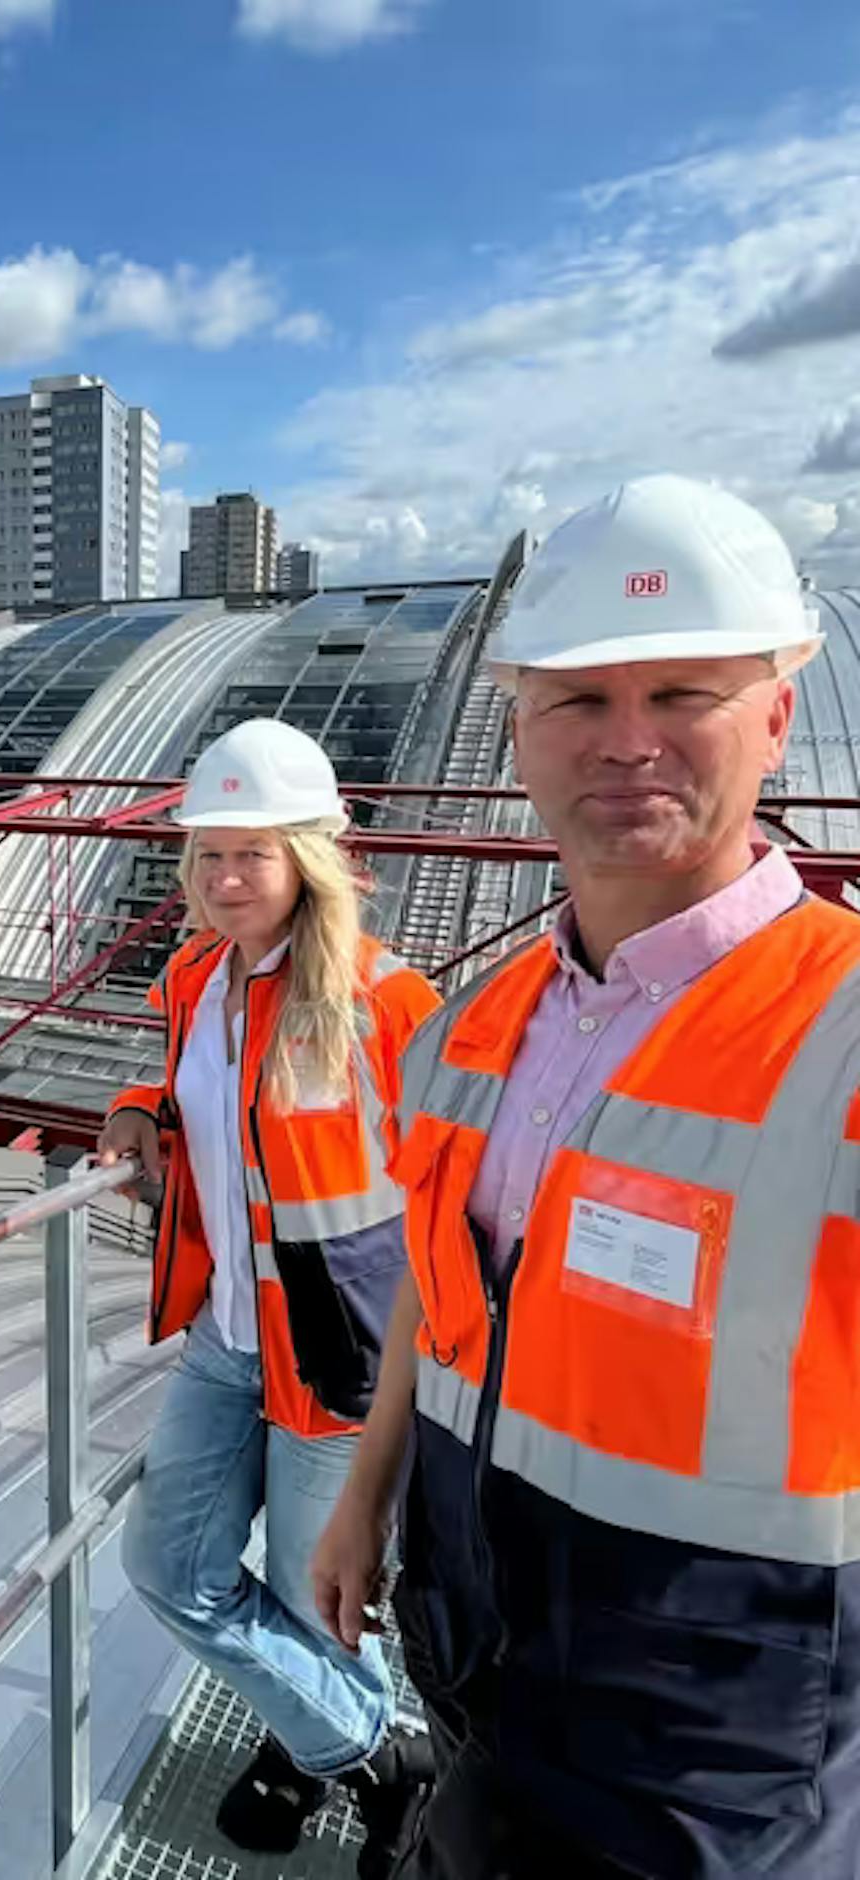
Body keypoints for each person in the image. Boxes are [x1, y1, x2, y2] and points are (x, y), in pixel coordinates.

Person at [310, 473, 860, 1877]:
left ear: (777, 718)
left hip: (717, 1745)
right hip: (476, 1655)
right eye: (580, 702)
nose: (628, 745)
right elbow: (441, 1320)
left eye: (684, 695)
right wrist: (365, 1498)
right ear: (520, 732)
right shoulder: (472, 1031)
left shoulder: (841, 1030)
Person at [98, 717, 440, 1873]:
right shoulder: (192, 975)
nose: (222, 877)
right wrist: (137, 1101)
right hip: (221, 1342)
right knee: (167, 1566)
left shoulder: (383, 1003)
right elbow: (192, 1079)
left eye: (251, 852)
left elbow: (454, 1182)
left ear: (309, 855)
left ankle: (312, 1750)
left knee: (318, 1593)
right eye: (204, 854)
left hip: (335, 1356)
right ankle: (380, 1752)